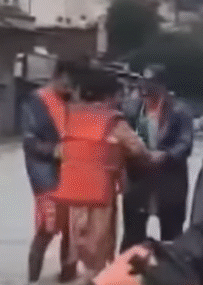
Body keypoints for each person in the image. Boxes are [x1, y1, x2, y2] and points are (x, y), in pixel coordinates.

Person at [64, 68, 150, 274]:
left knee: (77, 244)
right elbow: (138, 149)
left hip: (74, 193)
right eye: (118, 95)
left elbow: (60, 151)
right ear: (110, 95)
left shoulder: (72, 117)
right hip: (101, 194)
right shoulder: (114, 122)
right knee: (100, 253)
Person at [118, 66, 194, 253]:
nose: (145, 89)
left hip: (169, 181)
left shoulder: (179, 110)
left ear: (162, 86)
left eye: (151, 84)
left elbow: (185, 143)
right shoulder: (131, 108)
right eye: (142, 83)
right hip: (139, 180)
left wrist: (166, 155)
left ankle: (169, 277)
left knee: (171, 237)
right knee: (133, 236)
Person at [21, 59, 80, 284]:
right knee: (47, 229)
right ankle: (32, 284)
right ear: (56, 76)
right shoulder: (36, 101)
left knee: (72, 232)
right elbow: (30, 141)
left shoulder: (73, 100)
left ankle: (67, 281)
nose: (70, 88)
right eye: (67, 83)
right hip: (45, 177)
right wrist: (55, 150)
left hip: (72, 174)